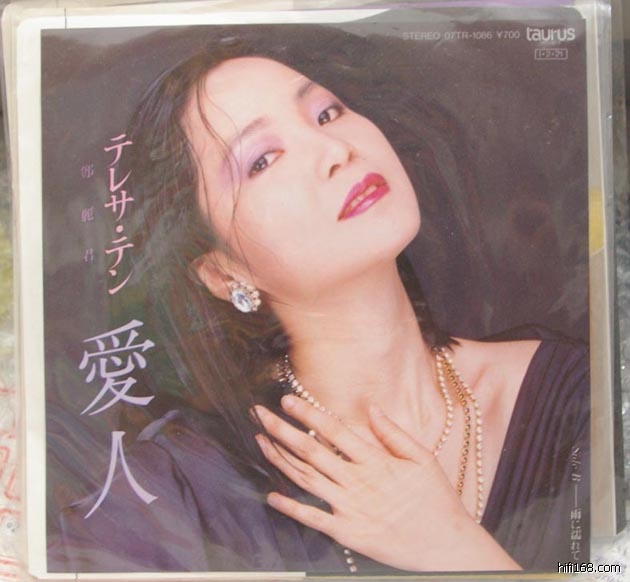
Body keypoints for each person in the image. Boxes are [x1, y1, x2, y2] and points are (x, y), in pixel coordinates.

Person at [55, 31, 589, 575]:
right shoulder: (176, 497)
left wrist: (451, 547)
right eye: (263, 160)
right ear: (222, 271)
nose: (336, 151)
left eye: (327, 113)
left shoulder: (581, 395)